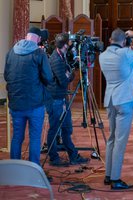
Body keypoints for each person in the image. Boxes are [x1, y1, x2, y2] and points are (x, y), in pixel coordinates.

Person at [99, 28, 133, 190]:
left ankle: (108, 175)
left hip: (110, 99)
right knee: (120, 141)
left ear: (110, 40)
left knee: (111, 139)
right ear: (123, 42)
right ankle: (116, 179)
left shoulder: (102, 55)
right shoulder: (126, 54)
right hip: (124, 100)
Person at [4, 27, 53, 165]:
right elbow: (48, 78)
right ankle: (33, 169)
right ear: (37, 39)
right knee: (35, 138)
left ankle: (14, 167)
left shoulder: (11, 52)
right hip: (35, 103)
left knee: (17, 137)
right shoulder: (39, 54)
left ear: (27, 37)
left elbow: (7, 76)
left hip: (15, 103)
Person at [46, 33, 89, 166]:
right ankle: (54, 157)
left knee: (66, 128)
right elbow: (64, 81)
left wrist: (68, 72)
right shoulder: (56, 59)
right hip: (56, 99)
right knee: (54, 128)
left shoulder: (60, 55)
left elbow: (64, 76)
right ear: (65, 45)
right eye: (69, 43)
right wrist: (72, 75)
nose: (71, 45)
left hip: (61, 98)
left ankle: (73, 155)